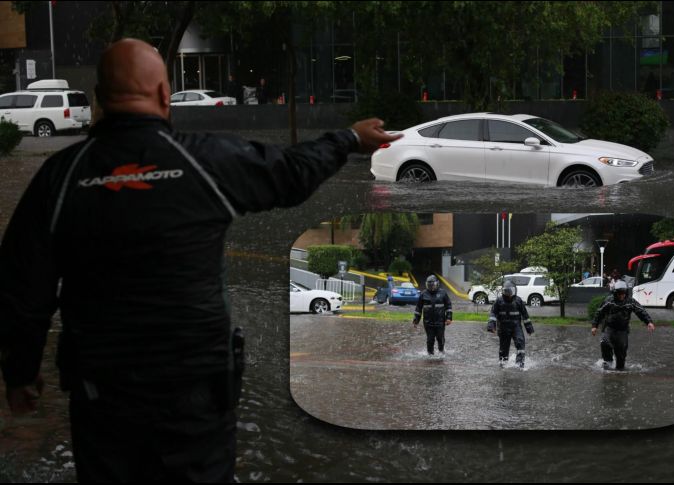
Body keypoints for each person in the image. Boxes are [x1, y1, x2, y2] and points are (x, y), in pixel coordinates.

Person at [0, 38, 400, 482]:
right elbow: (290, 173)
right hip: (194, 397)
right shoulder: (203, 160)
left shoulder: (59, 177)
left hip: (102, 397)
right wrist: (348, 138)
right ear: (162, 95)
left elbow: (21, 290)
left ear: (99, 99)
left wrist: (19, 372)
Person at [591, 281, 655, 371]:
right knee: (604, 342)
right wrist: (594, 326)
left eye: (623, 293)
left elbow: (641, 311)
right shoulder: (609, 301)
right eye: (620, 293)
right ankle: (608, 362)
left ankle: (620, 369)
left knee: (621, 351)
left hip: (622, 330)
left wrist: (649, 322)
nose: (622, 295)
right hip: (609, 328)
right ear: (615, 293)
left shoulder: (630, 301)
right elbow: (599, 312)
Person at [487, 280, 534, 368]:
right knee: (503, 348)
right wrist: (491, 326)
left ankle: (519, 364)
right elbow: (493, 314)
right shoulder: (499, 301)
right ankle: (503, 364)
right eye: (507, 291)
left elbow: (525, 315)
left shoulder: (518, 300)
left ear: (514, 290)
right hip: (503, 328)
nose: (509, 294)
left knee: (520, 343)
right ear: (504, 291)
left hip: (516, 327)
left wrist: (529, 328)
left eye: (510, 291)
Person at [412, 275, 452, 355]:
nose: (431, 287)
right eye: (429, 285)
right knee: (430, 339)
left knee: (440, 338)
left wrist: (449, 318)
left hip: (440, 321)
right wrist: (416, 320)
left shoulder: (443, 293)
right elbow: (418, 308)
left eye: (432, 285)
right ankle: (430, 354)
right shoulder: (423, 294)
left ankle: (441, 351)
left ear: (437, 284)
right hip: (428, 322)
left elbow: (448, 306)